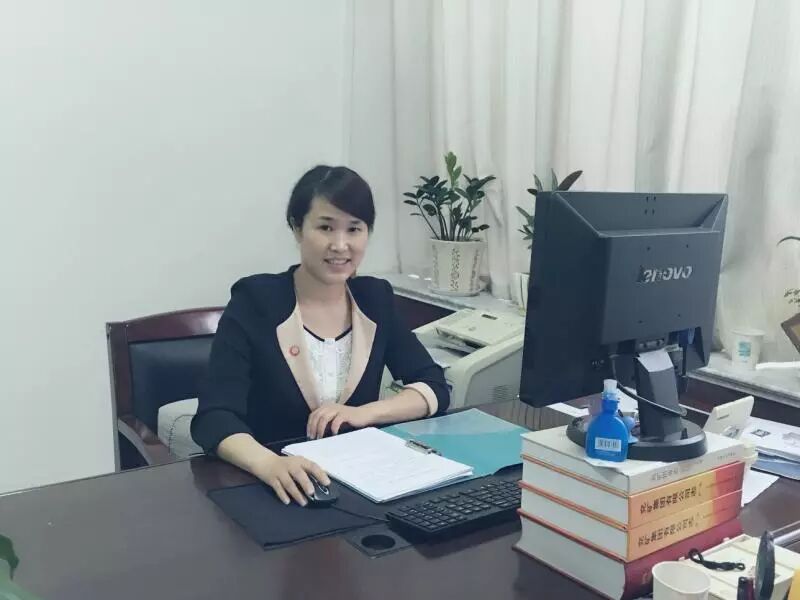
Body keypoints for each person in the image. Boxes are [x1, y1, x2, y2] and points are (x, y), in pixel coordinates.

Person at [191, 165, 450, 506]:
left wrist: (366, 413)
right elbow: (214, 417)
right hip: (274, 487)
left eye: (354, 229)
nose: (340, 245)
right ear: (297, 228)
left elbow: (434, 386)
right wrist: (268, 464)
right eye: (325, 227)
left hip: (359, 485)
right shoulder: (256, 301)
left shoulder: (375, 299)